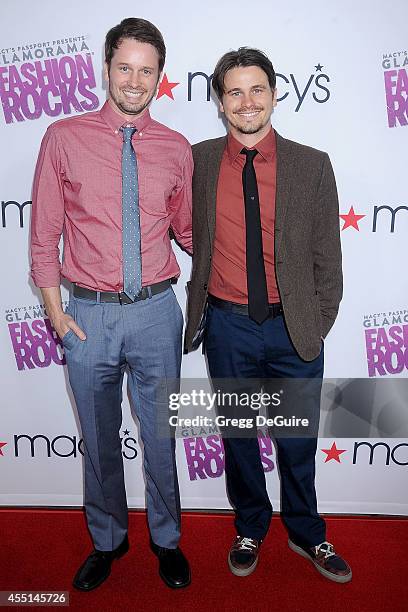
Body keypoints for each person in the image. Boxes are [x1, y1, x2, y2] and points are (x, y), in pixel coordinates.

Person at [30, 17, 192, 591]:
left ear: (159, 77)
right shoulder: (63, 136)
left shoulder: (176, 149)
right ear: (106, 68)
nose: (134, 80)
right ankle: (108, 539)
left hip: (155, 311)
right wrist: (55, 314)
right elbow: (43, 232)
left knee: (162, 438)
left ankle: (167, 540)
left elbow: (190, 232)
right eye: (125, 67)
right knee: (98, 441)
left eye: (146, 71)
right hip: (87, 314)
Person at [184, 47, 352, 583]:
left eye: (257, 89)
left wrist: (315, 322)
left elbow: (329, 256)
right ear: (219, 102)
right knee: (238, 437)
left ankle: (307, 532)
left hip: (294, 328)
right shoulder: (200, 160)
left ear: (275, 94)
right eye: (234, 91)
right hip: (228, 325)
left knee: (297, 441)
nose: (247, 101)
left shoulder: (312, 164)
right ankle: (250, 525)